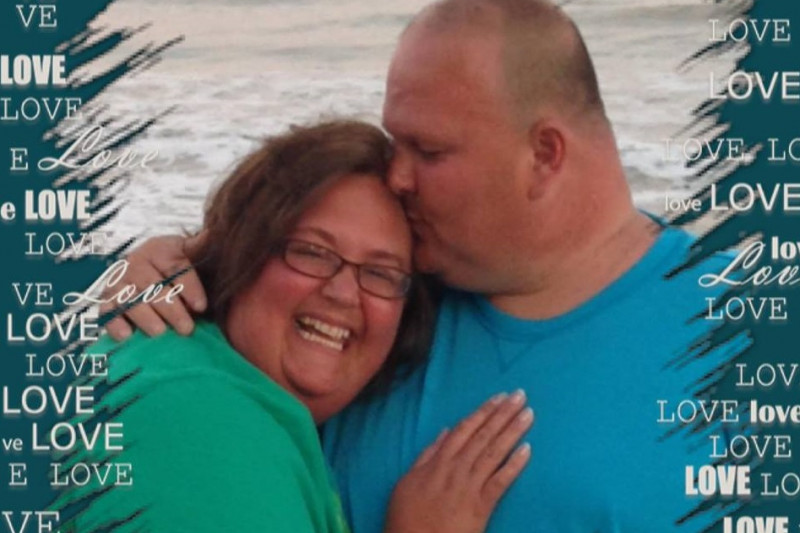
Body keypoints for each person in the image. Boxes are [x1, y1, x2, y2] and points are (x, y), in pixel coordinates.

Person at [105, 0, 735, 531]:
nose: (398, 177)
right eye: (395, 141)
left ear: (544, 154)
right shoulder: (391, 296)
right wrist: (174, 262)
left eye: (428, 151)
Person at [56, 120, 533, 533]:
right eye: (311, 252)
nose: (344, 293)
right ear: (241, 250)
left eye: (381, 273)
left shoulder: (215, 384)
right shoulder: (194, 415)